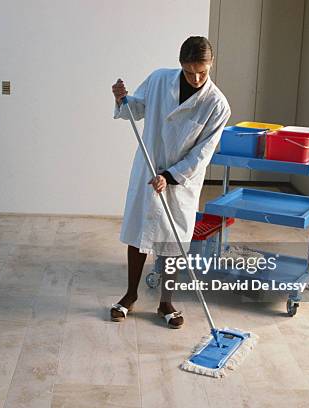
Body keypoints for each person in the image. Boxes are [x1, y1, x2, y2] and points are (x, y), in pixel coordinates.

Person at [110, 36, 231, 329]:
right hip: (148, 170)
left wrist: (171, 176)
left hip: (180, 182)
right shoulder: (159, 80)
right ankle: (129, 296)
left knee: (173, 241)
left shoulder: (217, 105)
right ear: (180, 66)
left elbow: (203, 153)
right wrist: (121, 98)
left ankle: (166, 302)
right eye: (190, 72)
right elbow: (134, 110)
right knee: (138, 233)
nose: (197, 77)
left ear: (211, 64)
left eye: (202, 71)